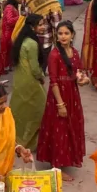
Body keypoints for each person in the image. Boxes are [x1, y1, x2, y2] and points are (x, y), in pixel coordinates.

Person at [37, 21, 86, 178]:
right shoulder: (55, 55)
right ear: (56, 37)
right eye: (60, 34)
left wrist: (83, 79)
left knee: (70, 127)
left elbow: (78, 72)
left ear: (72, 35)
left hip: (73, 94)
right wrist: (60, 104)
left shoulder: (75, 52)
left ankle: (66, 159)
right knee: (58, 129)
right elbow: (54, 81)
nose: (63, 36)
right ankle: (56, 167)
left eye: (66, 33)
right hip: (59, 96)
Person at [9, 15, 47, 152]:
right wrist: (42, 78)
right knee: (38, 111)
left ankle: (16, 139)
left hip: (20, 80)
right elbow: (35, 68)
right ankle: (27, 143)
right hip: (30, 82)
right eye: (41, 24)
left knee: (20, 110)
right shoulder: (32, 43)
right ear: (32, 26)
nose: (44, 27)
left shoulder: (22, 40)